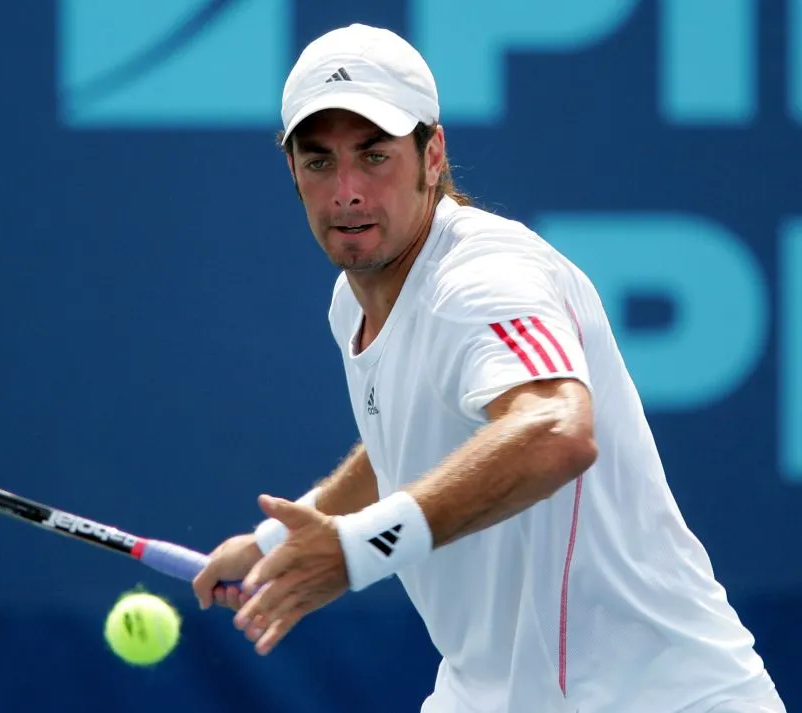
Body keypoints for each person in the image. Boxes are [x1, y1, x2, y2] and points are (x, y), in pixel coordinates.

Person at [191, 23, 785, 713]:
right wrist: (278, 541)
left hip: (655, 696)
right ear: (292, 169)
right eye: (320, 161)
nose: (347, 191)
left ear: (432, 154)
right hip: (492, 693)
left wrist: (360, 548)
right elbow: (411, 441)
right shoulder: (352, 301)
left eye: (375, 155)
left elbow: (558, 429)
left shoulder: (483, 278)